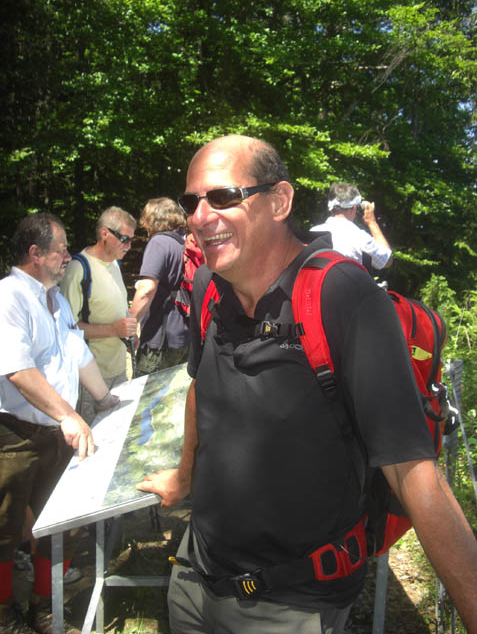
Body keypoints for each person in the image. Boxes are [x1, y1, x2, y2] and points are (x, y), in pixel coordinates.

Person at [137, 135, 477, 634]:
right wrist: (184, 476)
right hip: (195, 578)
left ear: (280, 201)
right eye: (192, 202)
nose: (201, 216)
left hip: (293, 603)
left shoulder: (342, 295)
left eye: (223, 197)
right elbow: (201, 389)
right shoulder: (209, 286)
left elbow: (411, 470)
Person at [0, 212, 119, 634]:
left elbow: (77, 353)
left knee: (59, 523)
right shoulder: (6, 299)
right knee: (5, 531)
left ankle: (44, 611)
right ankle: (2, 618)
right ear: (35, 253)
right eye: (61, 249)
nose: (68, 256)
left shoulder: (57, 300)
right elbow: (18, 371)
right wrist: (69, 415)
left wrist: (104, 399)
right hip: (6, 434)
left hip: (52, 432)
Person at [60, 206, 138, 424]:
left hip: (118, 369)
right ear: (105, 233)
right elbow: (66, 329)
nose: (129, 246)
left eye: (132, 240)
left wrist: (130, 334)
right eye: (124, 239)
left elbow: (117, 307)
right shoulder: (78, 269)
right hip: (91, 377)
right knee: (93, 436)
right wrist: (113, 330)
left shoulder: (114, 263)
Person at [129, 197, 190, 376]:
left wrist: (130, 324)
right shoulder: (184, 242)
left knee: (146, 391)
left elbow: (147, 289)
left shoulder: (159, 242)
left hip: (161, 339)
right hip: (185, 335)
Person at [310, 182, 393, 269]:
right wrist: (372, 222)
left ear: (331, 209)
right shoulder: (360, 237)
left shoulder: (314, 231)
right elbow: (387, 261)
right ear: (353, 208)